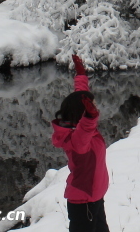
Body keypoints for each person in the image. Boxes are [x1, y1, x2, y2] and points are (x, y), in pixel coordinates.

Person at [51, 54, 110, 232]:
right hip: (83, 202)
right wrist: (91, 117)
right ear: (82, 113)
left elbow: (80, 94)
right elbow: (84, 132)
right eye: (91, 105)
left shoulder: (82, 130)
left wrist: (81, 74)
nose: (95, 106)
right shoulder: (77, 140)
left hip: (95, 197)